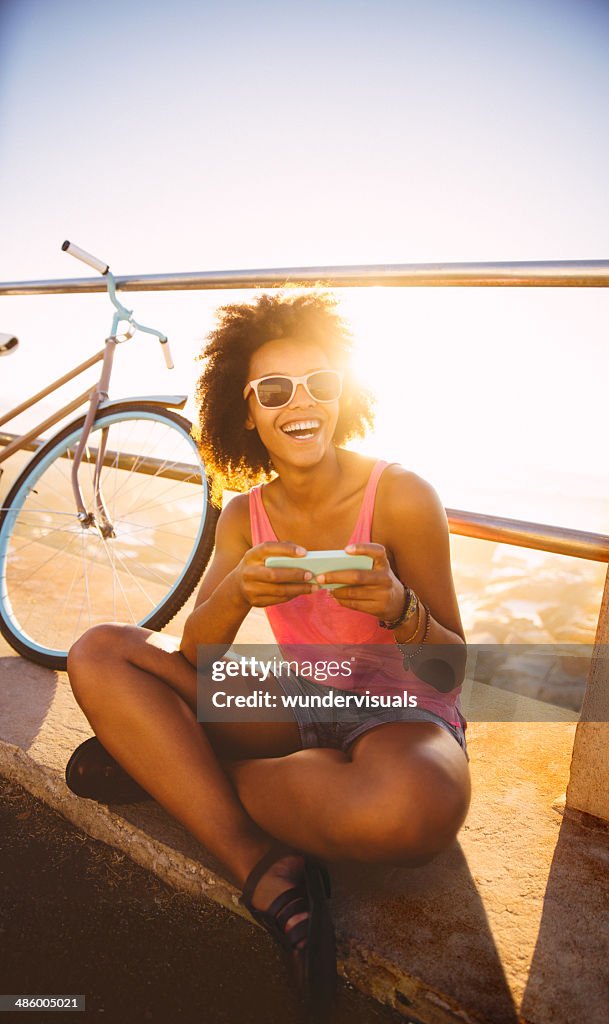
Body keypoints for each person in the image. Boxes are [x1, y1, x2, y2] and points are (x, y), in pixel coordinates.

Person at [66, 292, 471, 1014]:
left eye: (320, 382)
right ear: (246, 411)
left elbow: (453, 670)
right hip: (293, 702)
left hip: (399, 716)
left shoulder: (403, 495)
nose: (300, 402)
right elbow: (197, 651)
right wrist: (237, 592)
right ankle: (258, 865)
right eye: (274, 390)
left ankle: (169, 766)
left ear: (343, 392)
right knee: (101, 650)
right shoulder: (242, 515)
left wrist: (401, 611)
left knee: (412, 817)